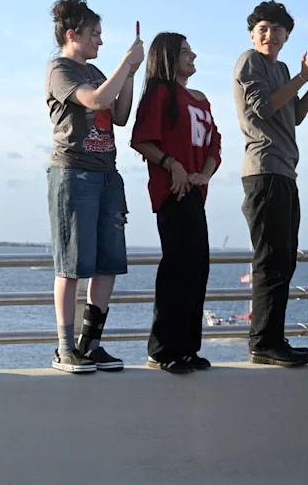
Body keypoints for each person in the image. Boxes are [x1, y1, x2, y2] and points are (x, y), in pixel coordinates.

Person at [234, 0, 308, 367]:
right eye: (263, 29)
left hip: (284, 171)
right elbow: (263, 107)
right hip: (263, 170)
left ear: (287, 36)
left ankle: (273, 337)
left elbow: (294, 114)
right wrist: (303, 77)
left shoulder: (281, 69)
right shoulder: (250, 61)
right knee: (270, 258)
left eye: (277, 29)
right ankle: (262, 342)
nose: (270, 35)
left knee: (284, 259)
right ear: (252, 34)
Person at [44, 0, 143, 374]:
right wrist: (125, 64)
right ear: (73, 34)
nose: (100, 41)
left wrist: (130, 74)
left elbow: (120, 115)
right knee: (71, 265)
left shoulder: (98, 70)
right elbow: (98, 100)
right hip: (73, 174)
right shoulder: (60, 70)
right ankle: (65, 348)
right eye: (94, 34)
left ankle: (92, 343)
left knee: (107, 264)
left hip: (106, 174)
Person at [131, 33, 221, 374]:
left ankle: (186, 347)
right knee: (178, 268)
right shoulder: (161, 93)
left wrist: (204, 174)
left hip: (195, 192)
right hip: (173, 192)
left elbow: (214, 144)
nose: (192, 56)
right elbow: (141, 139)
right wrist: (173, 165)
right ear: (169, 57)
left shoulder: (201, 99)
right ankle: (163, 349)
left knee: (198, 267)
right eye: (185, 52)